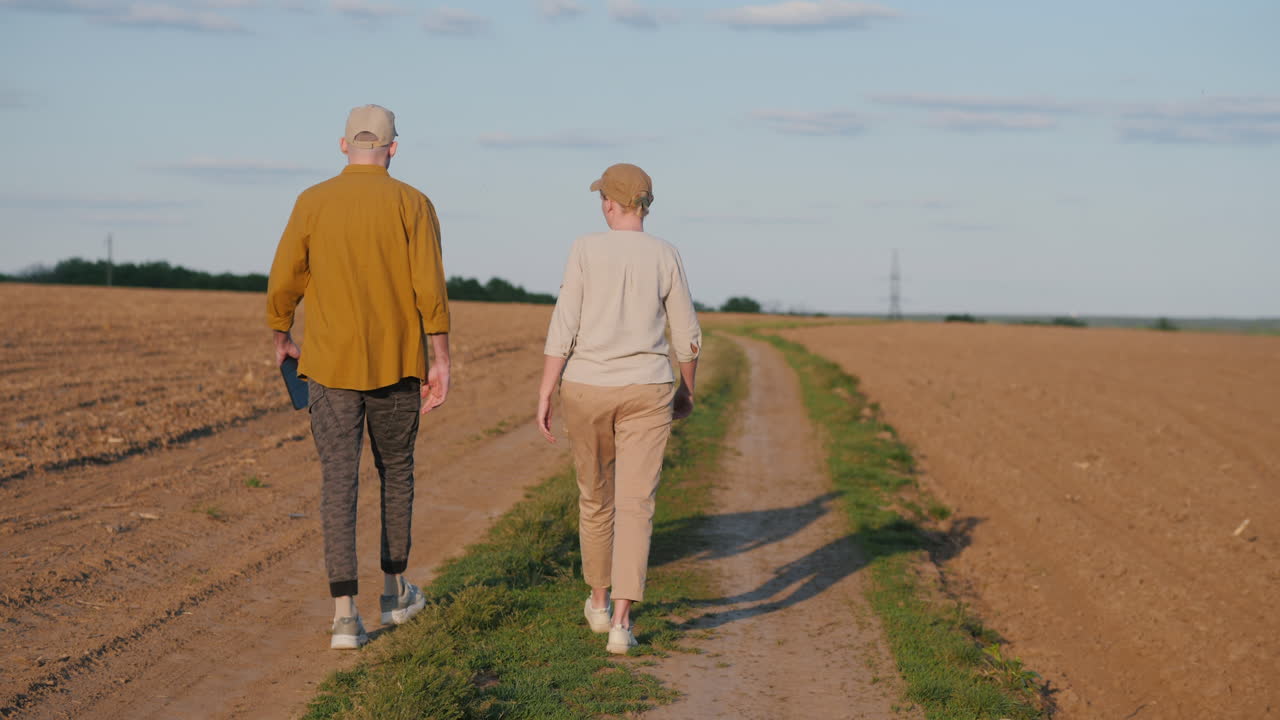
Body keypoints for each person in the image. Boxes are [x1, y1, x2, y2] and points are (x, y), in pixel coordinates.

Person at [266, 104, 451, 650]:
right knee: (396, 473)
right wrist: (440, 358)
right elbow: (429, 291)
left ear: (343, 146)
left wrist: (281, 332)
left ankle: (345, 615)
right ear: (393, 149)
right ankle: (395, 593)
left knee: (339, 481)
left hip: (328, 367)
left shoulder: (313, 201)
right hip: (397, 366)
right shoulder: (413, 204)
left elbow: (284, 279)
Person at [536, 163, 701, 654]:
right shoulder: (666, 254)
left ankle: (599, 599)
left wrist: (546, 390)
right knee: (636, 505)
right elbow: (687, 336)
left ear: (610, 203)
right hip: (647, 388)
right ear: (645, 205)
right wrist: (686, 390)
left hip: (586, 386)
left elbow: (563, 325)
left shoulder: (584, 249)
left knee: (595, 498)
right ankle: (622, 626)